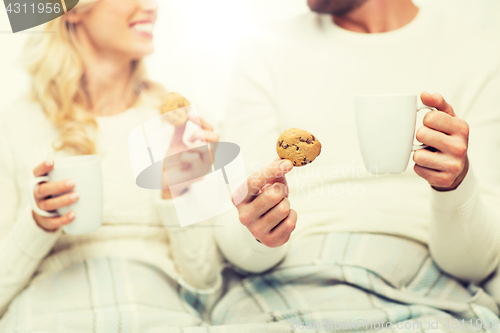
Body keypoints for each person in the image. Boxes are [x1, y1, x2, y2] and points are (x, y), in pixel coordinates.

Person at [212, 0, 500, 330]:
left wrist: (455, 187)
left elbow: (476, 264)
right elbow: (234, 234)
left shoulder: (480, 53)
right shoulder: (263, 50)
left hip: (421, 286)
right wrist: (261, 235)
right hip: (289, 279)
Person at [0, 0, 238, 331]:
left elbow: (206, 282)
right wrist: (40, 223)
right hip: (46, 313)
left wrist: (176, 187)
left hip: (158, 312)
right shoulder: (16, 123)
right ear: (73, 9)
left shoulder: (179, 124)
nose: (151, 6)